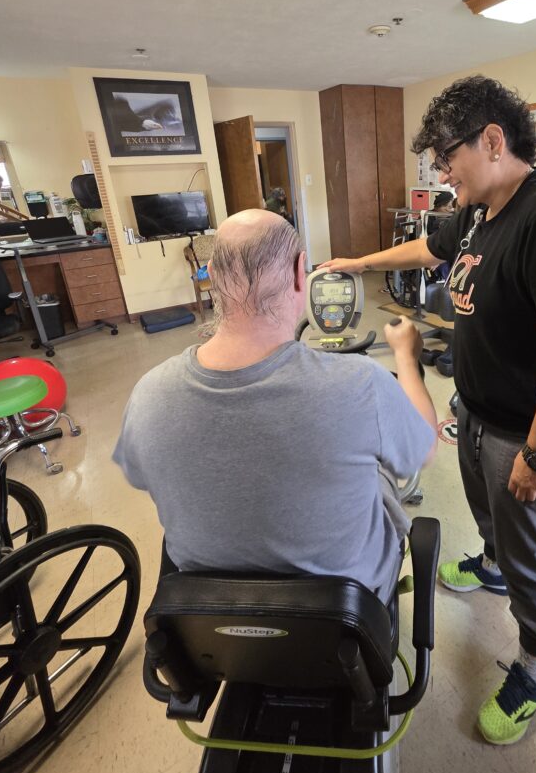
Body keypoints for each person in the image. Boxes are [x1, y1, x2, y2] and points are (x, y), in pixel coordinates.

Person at [322, 75, 536, 744]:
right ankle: (490, 563)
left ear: (492, 139)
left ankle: (534, 669)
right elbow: (432, 247)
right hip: (481, 412)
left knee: (535, 552)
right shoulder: (482, 207)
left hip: (534, 430)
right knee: (493, 519)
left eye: (446, 157)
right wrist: (358, 261)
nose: (441, 171)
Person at [113, 209, 436, 604]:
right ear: (302, 273)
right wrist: (406, 358)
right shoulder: (361, 383)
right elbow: (425, 450)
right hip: (342, 623)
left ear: (211, 276)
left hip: (211, 622)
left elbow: (140, 475)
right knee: (379, 472)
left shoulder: (149, 393)